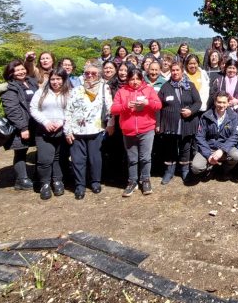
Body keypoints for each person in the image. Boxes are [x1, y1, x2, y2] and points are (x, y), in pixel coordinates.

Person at [64, 61, 113, 200]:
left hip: (96, 130)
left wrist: (111, 124)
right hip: (77, 131)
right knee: (78, 160)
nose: (90, 75)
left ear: (99, 75)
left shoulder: (105, 88)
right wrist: (67, 130)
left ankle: (95, 181)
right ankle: (80, 185)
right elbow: (68, 110)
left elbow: (110, 109)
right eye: (87, 73)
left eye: (93, 73)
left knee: (95, 159)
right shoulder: (76, 90)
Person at [111, 68, 162, 197]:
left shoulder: (148, 90)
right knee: (132, 159)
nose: (135, 82)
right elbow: (113, 109)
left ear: (141, 79)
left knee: (145, 157)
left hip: (146, 129)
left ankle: (145, 180)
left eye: (137, 79)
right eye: (132, 79)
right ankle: (132, 181)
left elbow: (158, 105)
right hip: (128, 131)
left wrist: (147, 102)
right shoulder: (122, 92)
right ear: (128, 79)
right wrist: (126, 105)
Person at [157, 62, 202, 184]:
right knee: (170, 148)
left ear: (182, 71)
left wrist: (191, 111)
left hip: (187, 123)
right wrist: (158, 123)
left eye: (177, 70)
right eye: (173, 70)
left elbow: (198, 102)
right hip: (170, 123)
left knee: (185, 148)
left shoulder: (190, 86)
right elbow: (158, 106)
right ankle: (169, 172)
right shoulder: (165, 87)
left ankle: (184, 171)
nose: (175, 72)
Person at [30, 68, 70, 200]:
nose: (55, 82)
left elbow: (72, 110)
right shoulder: (41, 92)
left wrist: (61, 121)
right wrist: (45, 122)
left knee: (58, 158)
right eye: (53, 79)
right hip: (43, 131)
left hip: (62, 130)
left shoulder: (69, 93)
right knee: (44, 159)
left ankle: (57, 181)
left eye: (58, 79)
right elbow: (34, 109)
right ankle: (45, 184)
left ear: (63, 79)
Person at [0, 59, 38, 191]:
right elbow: (12, 110)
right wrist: (23, 127)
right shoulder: (9, 88)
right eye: (17, 70)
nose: (21, 71)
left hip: (35, 123)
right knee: (21, 151)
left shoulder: (31, 82)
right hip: (21, 125)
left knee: (38, 148)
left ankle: (36, 175)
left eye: (22, 69)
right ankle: (21, 180)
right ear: (11, 73)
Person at [192, 91, 238, 180]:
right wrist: (208, 154)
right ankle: (210, 168)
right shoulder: (206, 116)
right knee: (196, 167)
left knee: (236, 155)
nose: (221, 105)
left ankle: (224, 170)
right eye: (219, 102)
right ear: (215, 102)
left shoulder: (234, 116)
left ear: (228, 103)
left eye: (224, 102)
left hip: (225, 148)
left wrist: (222, 150)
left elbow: (234, 136)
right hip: (208, 147)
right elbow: (200, 137)